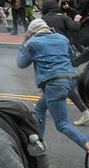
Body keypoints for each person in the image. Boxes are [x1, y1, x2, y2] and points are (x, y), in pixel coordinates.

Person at [17, 19, 89, 151]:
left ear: (32, 32)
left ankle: (86, 142)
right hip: (71, 79)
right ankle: (38, 144)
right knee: (39, 108)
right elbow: (69, 56)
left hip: (54, 82)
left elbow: (21, 63)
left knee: (62, 123)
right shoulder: (62, 38)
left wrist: (25, 41)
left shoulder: (32, 42)